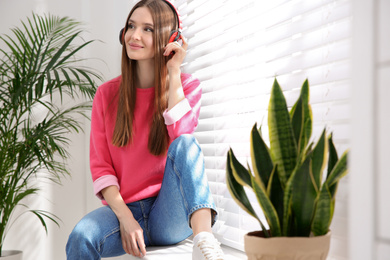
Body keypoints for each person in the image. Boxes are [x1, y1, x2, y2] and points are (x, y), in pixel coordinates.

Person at [65, 0, 225, 259]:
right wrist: (126, 219)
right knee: (81, 238)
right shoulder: (106, 95)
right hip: (124, 211)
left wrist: (173, 72)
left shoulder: (187, 86)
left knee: (185, 143)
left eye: (148, 29)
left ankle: (204, 243)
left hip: (168, 212)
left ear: (170, 38)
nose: (134, 36)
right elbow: (102, 167)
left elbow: (182, 136)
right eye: (131, 26)